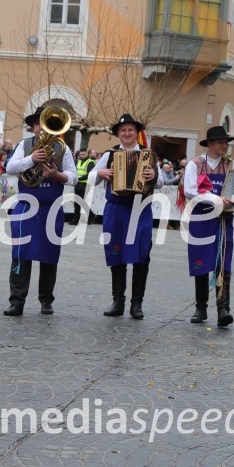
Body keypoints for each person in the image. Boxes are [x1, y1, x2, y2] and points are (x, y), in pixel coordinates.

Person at [3, 106, 78, 316]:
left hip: (51, 209)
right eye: (37, 124)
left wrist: (58, 175)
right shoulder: (24, 145)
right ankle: (17, 301)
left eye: (44, 124)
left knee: (49, 256)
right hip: (26, 207)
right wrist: (31, 159)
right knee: (20, 255)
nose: (41, 129)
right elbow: (9, 167)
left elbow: (73, 177)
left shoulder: (63, 148)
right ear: (33, 127)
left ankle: (46, 300)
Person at [92, 114, 162, 319]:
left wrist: (154, 176)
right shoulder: (110, 155)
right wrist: (102, 173)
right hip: (116, 209)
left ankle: (137, 304)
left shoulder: (148, 154)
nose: (127, 133)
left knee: (141, 255)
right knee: (116, 254)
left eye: (131, 130)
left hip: (140, 210)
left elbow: (160, 185)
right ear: (118, 134)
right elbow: (91, 179)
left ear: (137, 132)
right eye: (123, 130)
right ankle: (118, 301)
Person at [184, 126, 234, 328]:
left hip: (223, 220)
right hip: (201, 218)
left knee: (222, 262)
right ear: (209, 144)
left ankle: (223, 308)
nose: (224, 144)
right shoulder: (196, 164)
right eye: (220, 141)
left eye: (226, 141)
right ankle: (201, 307)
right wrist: (216, 198)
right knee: (201, 262)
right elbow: (190, 191)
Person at [69, 148, 95, 225]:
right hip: (78, 184)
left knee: (80, 202)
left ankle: (88, 217)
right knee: (78, 202)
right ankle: (87, 217)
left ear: (87, 154)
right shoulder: (79, 161)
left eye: (84, 154)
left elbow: (89, 174)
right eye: (81, 154)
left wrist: (79, 178)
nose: (82, 156)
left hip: (85, 184)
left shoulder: (90, 162)